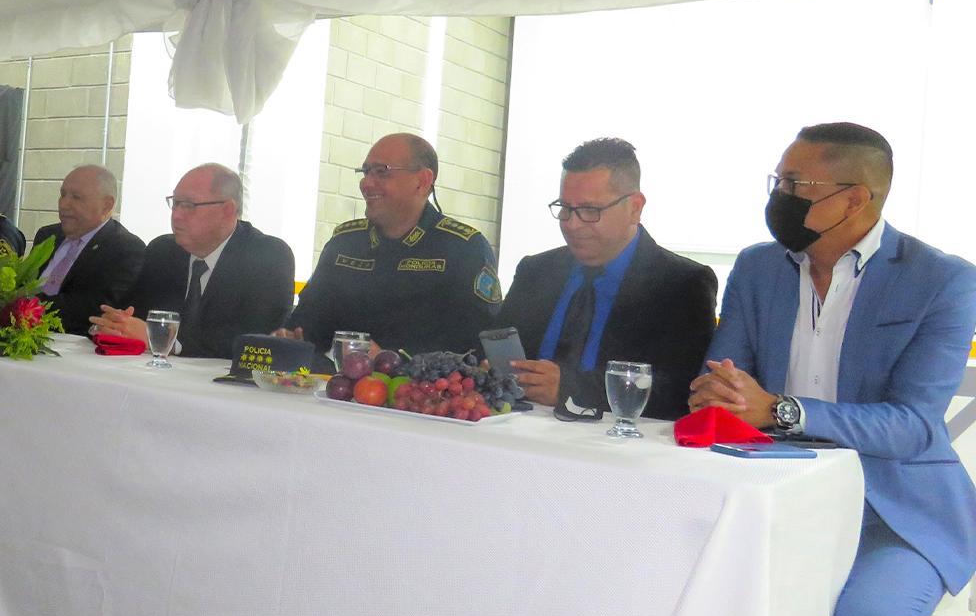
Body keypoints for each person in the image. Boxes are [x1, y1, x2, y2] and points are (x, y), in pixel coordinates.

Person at [689, 122, 976, 616]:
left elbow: (914, 426)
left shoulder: (942, 279)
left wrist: (780, 411)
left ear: (858, 198)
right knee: (697, 601)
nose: (780, 198)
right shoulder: (758, 266)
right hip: (774, 496)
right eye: (778, 182)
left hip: (895, 507)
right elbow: (730, 371)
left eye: (797, 188)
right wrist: (716, 391)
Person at [499, 138, 717, 419]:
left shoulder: (682, 284)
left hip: (617, 451)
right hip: (515, 438)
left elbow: (681, 392)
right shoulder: (535, 271)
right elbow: (495, 353)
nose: (572, 224)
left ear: (635, 207)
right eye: (565, 208)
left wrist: (571, 388)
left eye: (591, 211)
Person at [275, 132, 502, 355]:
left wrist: (392, 362)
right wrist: (289, 339)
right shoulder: (344, 243)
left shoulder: (464, 248)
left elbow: (478, 348)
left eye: (382, 172)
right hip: (336, 387)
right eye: (365, 172)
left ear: (422, 181)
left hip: (422, 390)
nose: (366, 183)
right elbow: (308, 324)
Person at [91, 163, 294, 359]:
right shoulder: (162, 251)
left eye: (189, 205)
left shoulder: (268, 256)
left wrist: (165, 338)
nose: (176, 216)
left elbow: (256, 338)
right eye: (175, 203)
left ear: (228, 210)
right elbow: (134, 312)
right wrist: (116, 324)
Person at [32, 165, 144, 336]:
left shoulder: (125, 248)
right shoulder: (47, 235)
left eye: (76, 197)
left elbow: (93, 308)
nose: (64, 204)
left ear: (107, 205)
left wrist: (24, 306)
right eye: (63, 195)